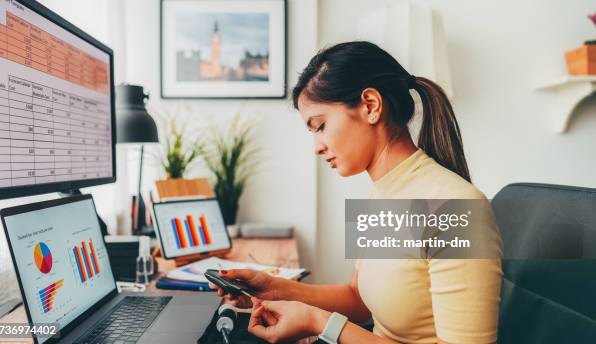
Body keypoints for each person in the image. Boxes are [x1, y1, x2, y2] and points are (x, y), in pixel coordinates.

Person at [211, 41, 502, 344]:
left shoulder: (456, 208)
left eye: (320, 125)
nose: (317, 147)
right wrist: (274, 288)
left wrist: (319, 322)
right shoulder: (381, 195)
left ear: (371, 106)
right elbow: (358, 299)